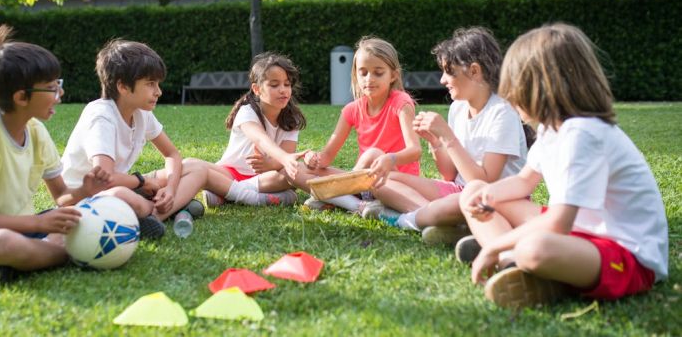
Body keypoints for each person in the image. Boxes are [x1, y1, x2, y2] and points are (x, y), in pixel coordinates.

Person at [460, 23, 668, 309]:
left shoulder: (582, 133)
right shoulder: (551, 130)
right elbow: (524, 182)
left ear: (540, 88)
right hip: (580, 234)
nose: (507, 97)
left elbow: (558, 222)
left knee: (535, 249)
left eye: (513, 87)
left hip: (627, 254)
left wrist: (495, 244)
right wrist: (487, 198)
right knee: (473, 189)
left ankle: (510, 254)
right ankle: (511, 264)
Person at [0, 25, 112, 286]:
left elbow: (62, 196)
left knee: (83, 219)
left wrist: (84, 191)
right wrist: (39, 224)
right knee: (2, 243)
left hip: (25, 228)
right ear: (21, 97)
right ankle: (71, 256)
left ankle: (18, 265)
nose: (60, 94)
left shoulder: (36, 131)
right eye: (52, 88)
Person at [361, 28, 528, 247]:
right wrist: (436, 142)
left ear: (475, 71)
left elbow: (483, 182)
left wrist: (447, 137)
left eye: (449, 72)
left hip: (494, 197)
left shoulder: (502, 112)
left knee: (458, 201)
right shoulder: (458, 108)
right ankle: (442, 222)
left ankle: (412, 219)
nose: (442, 79)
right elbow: (449, 174)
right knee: (379, 180)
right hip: (458, 191)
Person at [61, 40, 204, 238]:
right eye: (150, 84)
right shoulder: (101, 117)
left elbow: (171, 154)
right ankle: (158, 211)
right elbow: (104, 179)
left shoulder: (140, 111)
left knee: (195, 167)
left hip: (122, 186)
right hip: (85, 200)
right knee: (122, 195)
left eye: (158, 84)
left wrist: (170, 189)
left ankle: (158, 208)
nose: (158, 92)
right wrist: (142, 181)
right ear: (123, 86)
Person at [290, 36, 422, 213]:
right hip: (361, 180)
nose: (369, 79)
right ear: (355, 74)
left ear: (394, 75)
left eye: (378, 72)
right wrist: (313, 159)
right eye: (363, 72)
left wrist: (389, 159)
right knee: (296, 170)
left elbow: (415, 151)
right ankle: (357, 205)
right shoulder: (351, 110)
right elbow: (326, 158)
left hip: (395, 181)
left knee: (372, 154)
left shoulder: (401, 103)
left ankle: (336, 197)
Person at [184, 52, 307, 207]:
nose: (283, 90)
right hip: (229, 173)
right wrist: (283, 159)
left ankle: (227, 193)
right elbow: (261, 139)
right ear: (257, 89)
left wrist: (271, 165)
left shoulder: (291, 119)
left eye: (287, 84)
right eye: (274, 85)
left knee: (292, 174)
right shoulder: (247, 112)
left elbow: (286, 156)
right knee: (189, 163)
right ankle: (254, 197)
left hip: (264, 178)